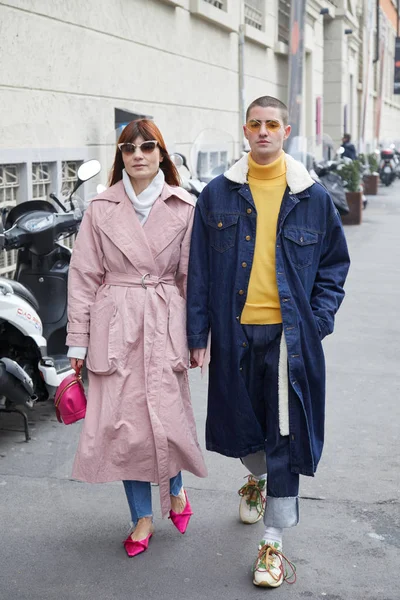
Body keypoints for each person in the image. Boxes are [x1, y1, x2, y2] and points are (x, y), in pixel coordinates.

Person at [187, 96, 350, 587]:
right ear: (244, 130)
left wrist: (316, 321)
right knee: (242, 429)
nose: (263, 132)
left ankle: (273, 545)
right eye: (255, 124)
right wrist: (198, 335)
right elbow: (198, 272)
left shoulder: (312, 196)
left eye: (272, 124)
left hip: (288, 338)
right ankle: (254, 477)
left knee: (284, 435)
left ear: (286, 131)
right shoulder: (217, 194)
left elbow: (334, 268)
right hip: (233, 332)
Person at [66, 119, 207, 558]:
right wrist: (78, 341)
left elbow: (190, 279)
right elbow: (84, 276)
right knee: (125, 429)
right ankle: (141, 517)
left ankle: (176, 489)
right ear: (120, 157)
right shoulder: (99, 208)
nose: (138, 154)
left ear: (162, 154)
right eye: (129, 148)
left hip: (165, 319)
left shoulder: (185, 208)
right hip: (116, 323)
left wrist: (196, 337)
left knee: (166, 419)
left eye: (148, 146)